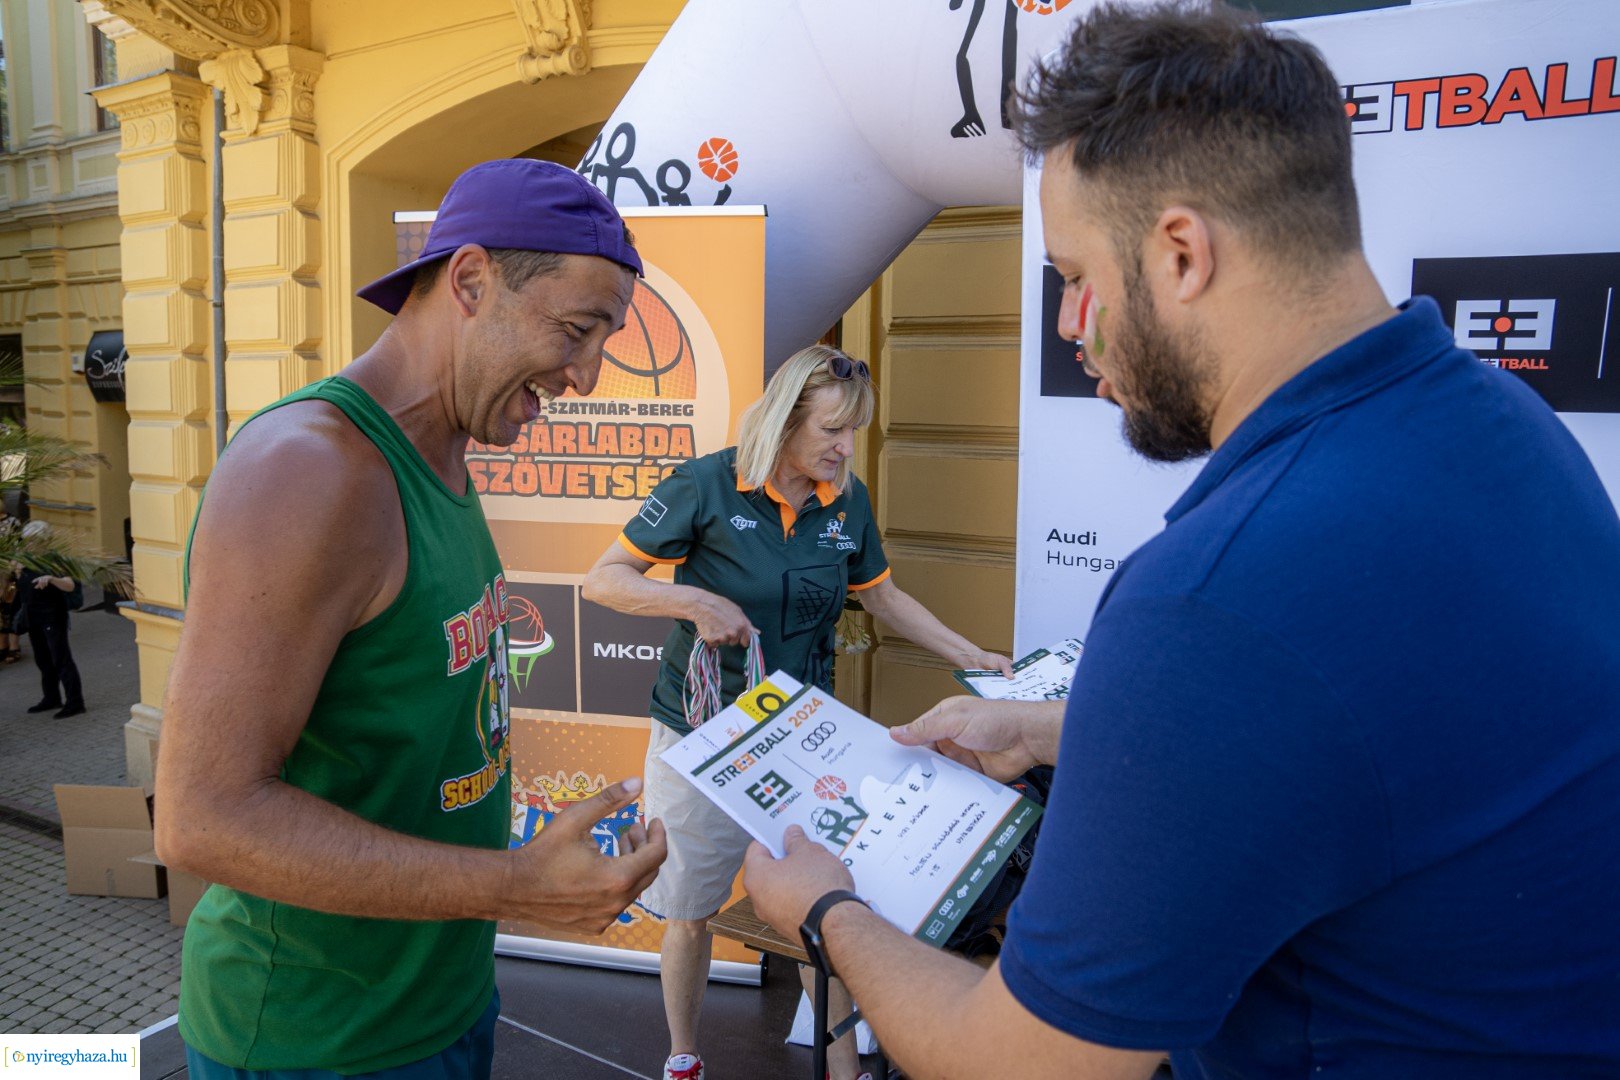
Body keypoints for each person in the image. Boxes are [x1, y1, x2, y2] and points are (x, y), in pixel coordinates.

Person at [742, 3, 1620, 1078]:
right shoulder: (1501, 419)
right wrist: (1052, 726)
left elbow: (1019, 1064)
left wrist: (825, 906)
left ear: (1181, 253)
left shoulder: (1214, 598)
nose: (1070, 326)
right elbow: (1354, 728)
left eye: (1073, 276)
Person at [156, 159, 667, 1079]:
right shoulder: (308, 473)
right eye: (578, 330)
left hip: (443, 1001)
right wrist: (516, 888)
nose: (587, 377)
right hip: (314, 1043)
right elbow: (203, 818)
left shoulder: (445, 454)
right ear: (470, 281)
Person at [582, 344, 1012, 1080]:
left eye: (855, 432)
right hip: (705, 735)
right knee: (689, 907)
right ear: (785, 422)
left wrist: (974, 656)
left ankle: (843, 1073)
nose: (847, 449)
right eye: (832, 431)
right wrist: (694, 599)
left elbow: (882, 596)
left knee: (827, 905)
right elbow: (604, 581)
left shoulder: (847, 497)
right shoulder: (706, 486)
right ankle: (683, 1055)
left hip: (804, 735)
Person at [15, 522, 84, 717]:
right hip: (33, 617)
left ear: (44, 541)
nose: (29, 544)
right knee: (43, 660)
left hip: (53, 617)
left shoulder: (56, 560)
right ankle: (51, 698)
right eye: (27, 541)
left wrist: (52, 579)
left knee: (61, 659)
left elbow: (70, 585)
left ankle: (75, 702)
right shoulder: (25, 560)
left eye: (33, 541)